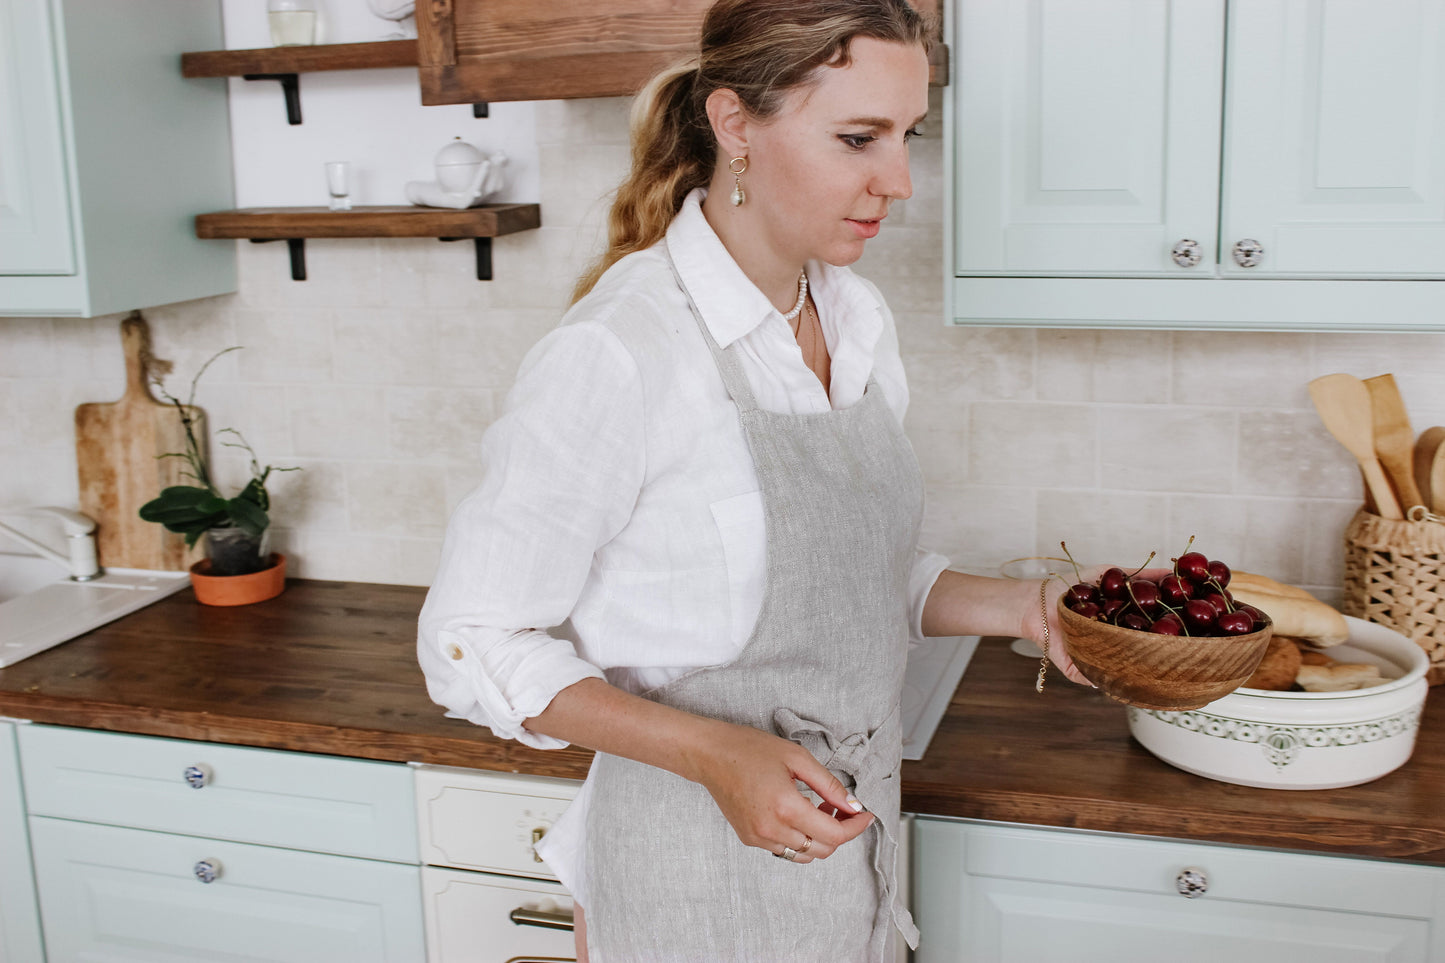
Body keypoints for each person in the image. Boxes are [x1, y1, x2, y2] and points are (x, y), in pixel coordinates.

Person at [418, 1, 1090, 959]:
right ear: (735, 125)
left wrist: (1031, 606)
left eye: (905, 136)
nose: (896, 181)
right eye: (857, 138)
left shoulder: (852, 320)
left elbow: (843, 578)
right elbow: (469, 639)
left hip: (851, 855)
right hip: (685, 878)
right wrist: (713, 751)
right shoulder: (622, 350)